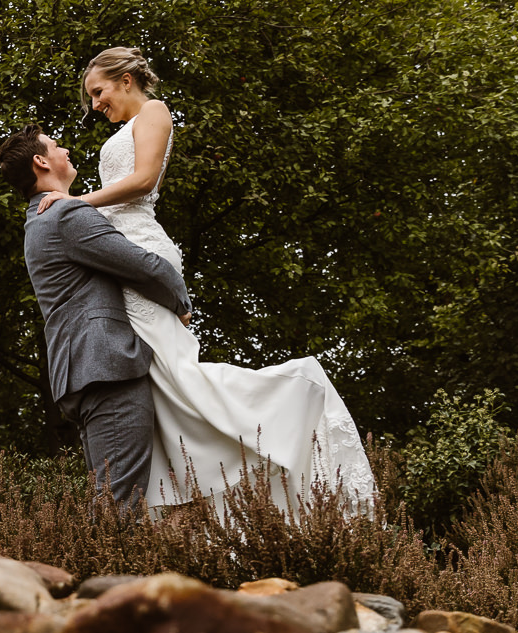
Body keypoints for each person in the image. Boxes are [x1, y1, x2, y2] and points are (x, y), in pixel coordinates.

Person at [35, 47, 376, 513]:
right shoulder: (123, 129)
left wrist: (78, 203)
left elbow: (144, 180)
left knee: (174, 373)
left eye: (99, 92)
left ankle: (291, 397)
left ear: (127, 80)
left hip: (141, 246)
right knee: (157, 377)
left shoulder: (154, 111)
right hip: (122, 248)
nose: (95, 105)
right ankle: (182, 478)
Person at [0, 124, 194, 512]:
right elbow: (142, 265)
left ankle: (98, 567)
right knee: (119, 501)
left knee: (112, 495)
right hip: (106, 366)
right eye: (55, 147)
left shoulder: (39, 220)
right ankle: (95, 570)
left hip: (84, 369)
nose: (65, 150)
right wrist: (181, 301)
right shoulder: (65, 215)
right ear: (40, 161)